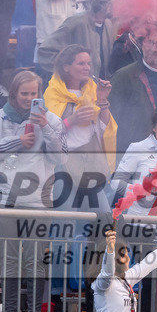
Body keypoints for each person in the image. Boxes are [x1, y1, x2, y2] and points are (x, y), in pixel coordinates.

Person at [0, 71, 67, 312]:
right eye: (25, 93)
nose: (30, 98)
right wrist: (16, 141)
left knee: (35, 261)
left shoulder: (51, 120)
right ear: (14, 93)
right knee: (8, 259)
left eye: (34, 94)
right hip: (6, 198)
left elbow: (62, 156)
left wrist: (45, 127)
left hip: (39, 201)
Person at [43, 44, 117, 202]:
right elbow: (47, 133)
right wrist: (72, 120)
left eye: (89, 63)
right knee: (66, 220)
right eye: (81, 63)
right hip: (63, 165)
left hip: (91, 162)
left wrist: (102, 100)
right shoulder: (53, 94)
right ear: (66, 67)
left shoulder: (93, 90)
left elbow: (104, 129)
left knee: (104, 219)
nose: (87, 68)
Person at [110, 25, 157, 155]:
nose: (154, 49)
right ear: (142, 45)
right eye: (150, 42)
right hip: (137, 152)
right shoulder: (124, 77)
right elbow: (112, 119)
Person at [35, 0, 119, 78]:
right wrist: (70, 71)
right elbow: (45, 52)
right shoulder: (76, 23)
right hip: (74, 90)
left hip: (96, 90)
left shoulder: (108, 25)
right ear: (108, 6)